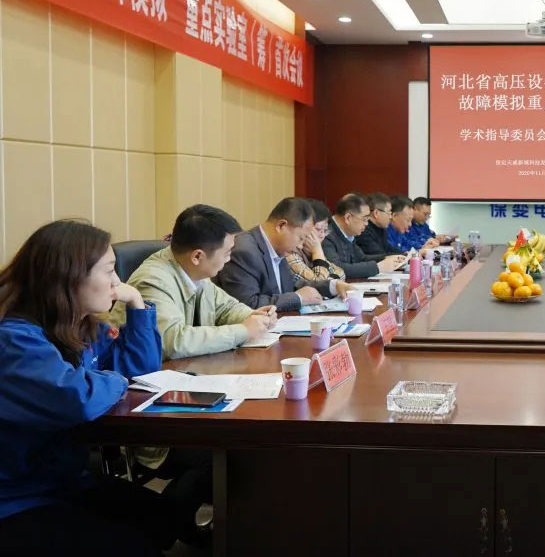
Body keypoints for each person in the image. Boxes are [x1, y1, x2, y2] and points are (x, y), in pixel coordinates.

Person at [0, 220, 182, 556]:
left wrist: (137, 304)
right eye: (109, 271)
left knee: (165, 517)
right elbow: (78, 398)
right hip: (15, 497)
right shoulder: (14, 339)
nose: (117, 282)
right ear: (68, 278)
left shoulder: (77, 326)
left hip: (61, 481)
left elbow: (142, 374)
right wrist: (115, 379)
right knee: (133, 547)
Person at [113, 204, 276, 360]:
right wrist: (243, 331)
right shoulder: (152, 281)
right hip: (136, 376)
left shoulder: (195, 271)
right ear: (197, 256)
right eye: (227, 253)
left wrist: (254, 317)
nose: (229, 259)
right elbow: (173, 342)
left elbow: (225, 308)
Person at [217, 197, 343, 310]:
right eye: (301, 238)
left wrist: (333, 286)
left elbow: (291, 285)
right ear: (281, 225)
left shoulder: (278, 247)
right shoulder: (244, 251)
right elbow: (248, 304)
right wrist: (298, 298)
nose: (300, 246)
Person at [323, 194, 407, 279]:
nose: (366, 224)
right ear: (348, 218)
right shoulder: (325, 234)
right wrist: (378, 267)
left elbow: (362, 258)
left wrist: (387, 258)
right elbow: (336, 269)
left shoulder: (348, 233)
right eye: (364, 219)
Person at [285, 198, 348, 287]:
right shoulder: (289, 252)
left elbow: (341, 273)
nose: (322, 235)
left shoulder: (310, 250)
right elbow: (319, 285)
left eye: (325, 230)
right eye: (318, 229)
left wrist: (330, 281)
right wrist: (317, 252)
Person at [356, 193, 405, 261]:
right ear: (376, 213)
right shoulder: (363, 230)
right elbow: (379, 255)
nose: (390, 217)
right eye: (388, 213)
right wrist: (401, 257)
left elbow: (388, 248)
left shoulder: (382, 228)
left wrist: (405, 254)